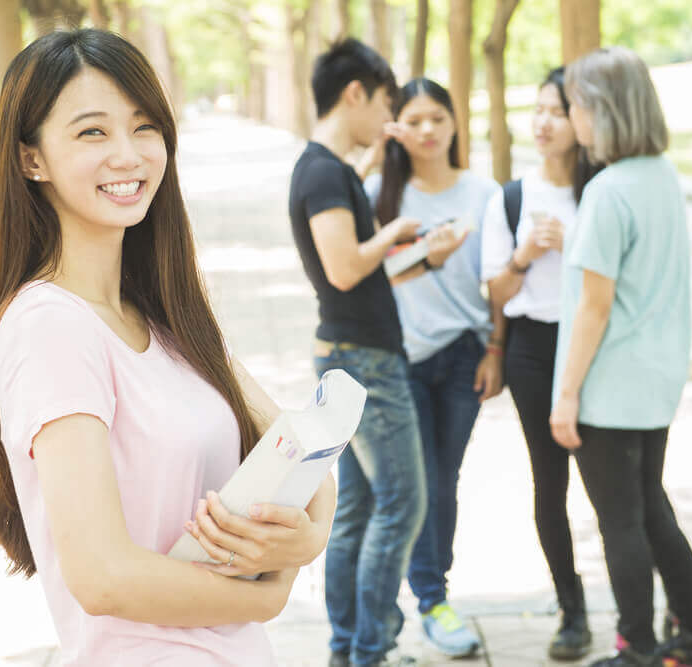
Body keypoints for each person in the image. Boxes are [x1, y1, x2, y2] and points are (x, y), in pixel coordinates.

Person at [0, 29, 336, 666]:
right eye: (91, 132)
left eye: (144, 127)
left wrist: (299, 547)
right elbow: (103, 576)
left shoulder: (168, 318)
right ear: (32, 159)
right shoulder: (49, 326)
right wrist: (267, 594)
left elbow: (306, 463)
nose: (128, 155)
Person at [549, 47, 692, 667]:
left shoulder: (608, 192)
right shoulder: (662, 176)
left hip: (609, 386)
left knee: (622, 523)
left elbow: (593, 309)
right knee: (651, 510)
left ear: (600, 111)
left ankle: (638, 649)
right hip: (654, 381)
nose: (573, 119)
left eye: (575, 105)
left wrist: (567, 393)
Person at [287, 39, 431, 667]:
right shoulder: (322, 172)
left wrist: (410, 255)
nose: (389, 116)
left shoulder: (328, 168)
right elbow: (344, 269)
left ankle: (349, 647)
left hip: (353, 352)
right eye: (385, 102)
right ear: (355, 94)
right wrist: (395, 233)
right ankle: (370, 648)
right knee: (402, 502)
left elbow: (351, 266)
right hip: (363, 359)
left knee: (363, 509)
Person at [364, 77, 501, 659]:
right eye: (413, 120)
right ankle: (427, 599)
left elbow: (495, 279)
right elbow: (358, 279)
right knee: (414, 488)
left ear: (453, 123)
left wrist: (496, 348)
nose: (426, 131)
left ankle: (431, 598)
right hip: (400, 359)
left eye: (436, 119)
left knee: (444, 481)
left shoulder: (484, 192)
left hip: (465, 355)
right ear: (397, 127)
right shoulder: (377, 191)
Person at [480, 66, 602, 662]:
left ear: (582, 121)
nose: (544, 122)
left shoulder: (601, 189)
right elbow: (496, 293)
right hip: (532, 347)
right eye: (538, 109)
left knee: (611, 481)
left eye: (556, 110)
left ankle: (638, 600)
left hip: (597, 346)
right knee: (549, 482)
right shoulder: (510, 197)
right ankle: (571, 609)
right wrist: (525, 256)